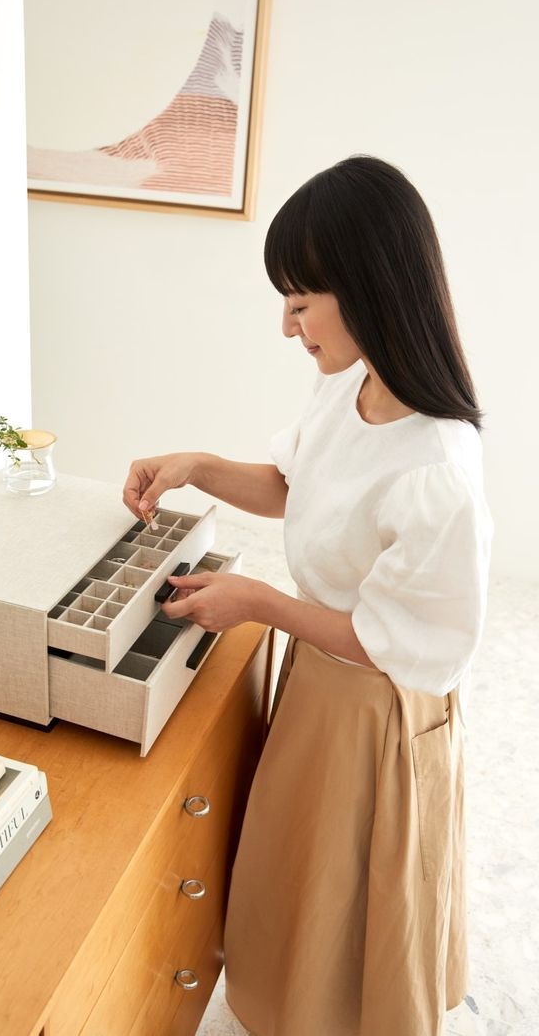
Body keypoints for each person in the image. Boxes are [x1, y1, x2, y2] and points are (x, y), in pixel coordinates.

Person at [122, 155, 493, 1036]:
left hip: (374, 709)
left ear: (366, 288)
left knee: (348, 886)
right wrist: (197, 466)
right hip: (320, 680)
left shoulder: (438, 469)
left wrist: (257, 600)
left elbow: (400, 645)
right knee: (299, 867)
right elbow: (295, 485)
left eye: (300, 303)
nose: (288, 327)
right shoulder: (348, 390)